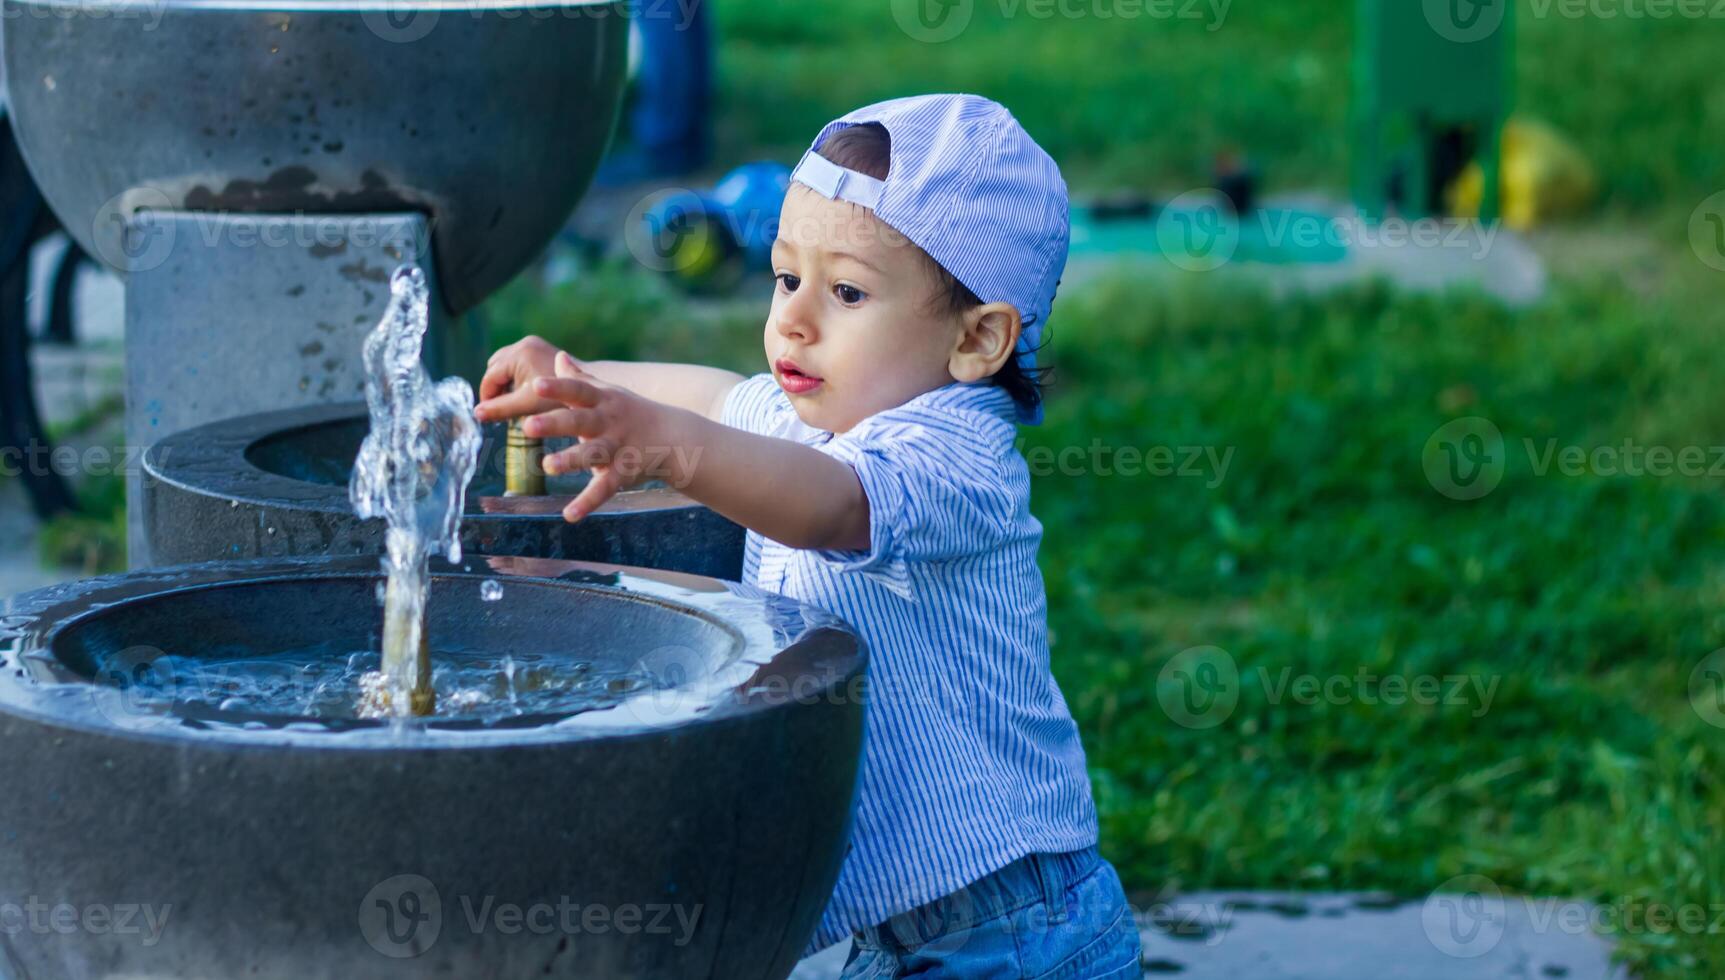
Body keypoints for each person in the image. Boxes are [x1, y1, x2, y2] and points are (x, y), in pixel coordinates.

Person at [476, 93, 1142, 978]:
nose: (793, 319)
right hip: (901, 938)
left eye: (847, 292)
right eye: (786, 277)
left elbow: (832, 505)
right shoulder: (815, 419)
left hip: (1012, 931)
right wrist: (577, 381)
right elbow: (714, 395)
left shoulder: (955, 458)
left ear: (978, 341)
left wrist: (661, 446)